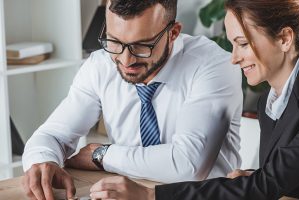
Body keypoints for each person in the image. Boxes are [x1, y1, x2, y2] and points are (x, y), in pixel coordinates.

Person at [87, 0, 299, 199]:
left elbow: (267, 187)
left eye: (242, 43)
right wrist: (254, 175)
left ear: (285, 38)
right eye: (233, 44)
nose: (234, 57)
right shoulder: (271, 100)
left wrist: (149, 196)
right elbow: (292, 171)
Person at [21, 0, 243, 199]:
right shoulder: (100, 66)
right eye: (114, 42)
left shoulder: (213, 65)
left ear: (173, 33)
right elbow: (53, 134)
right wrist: (43, 160)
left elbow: (188, 165)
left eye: (141, 46)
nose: (126, 59)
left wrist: (102, 154)